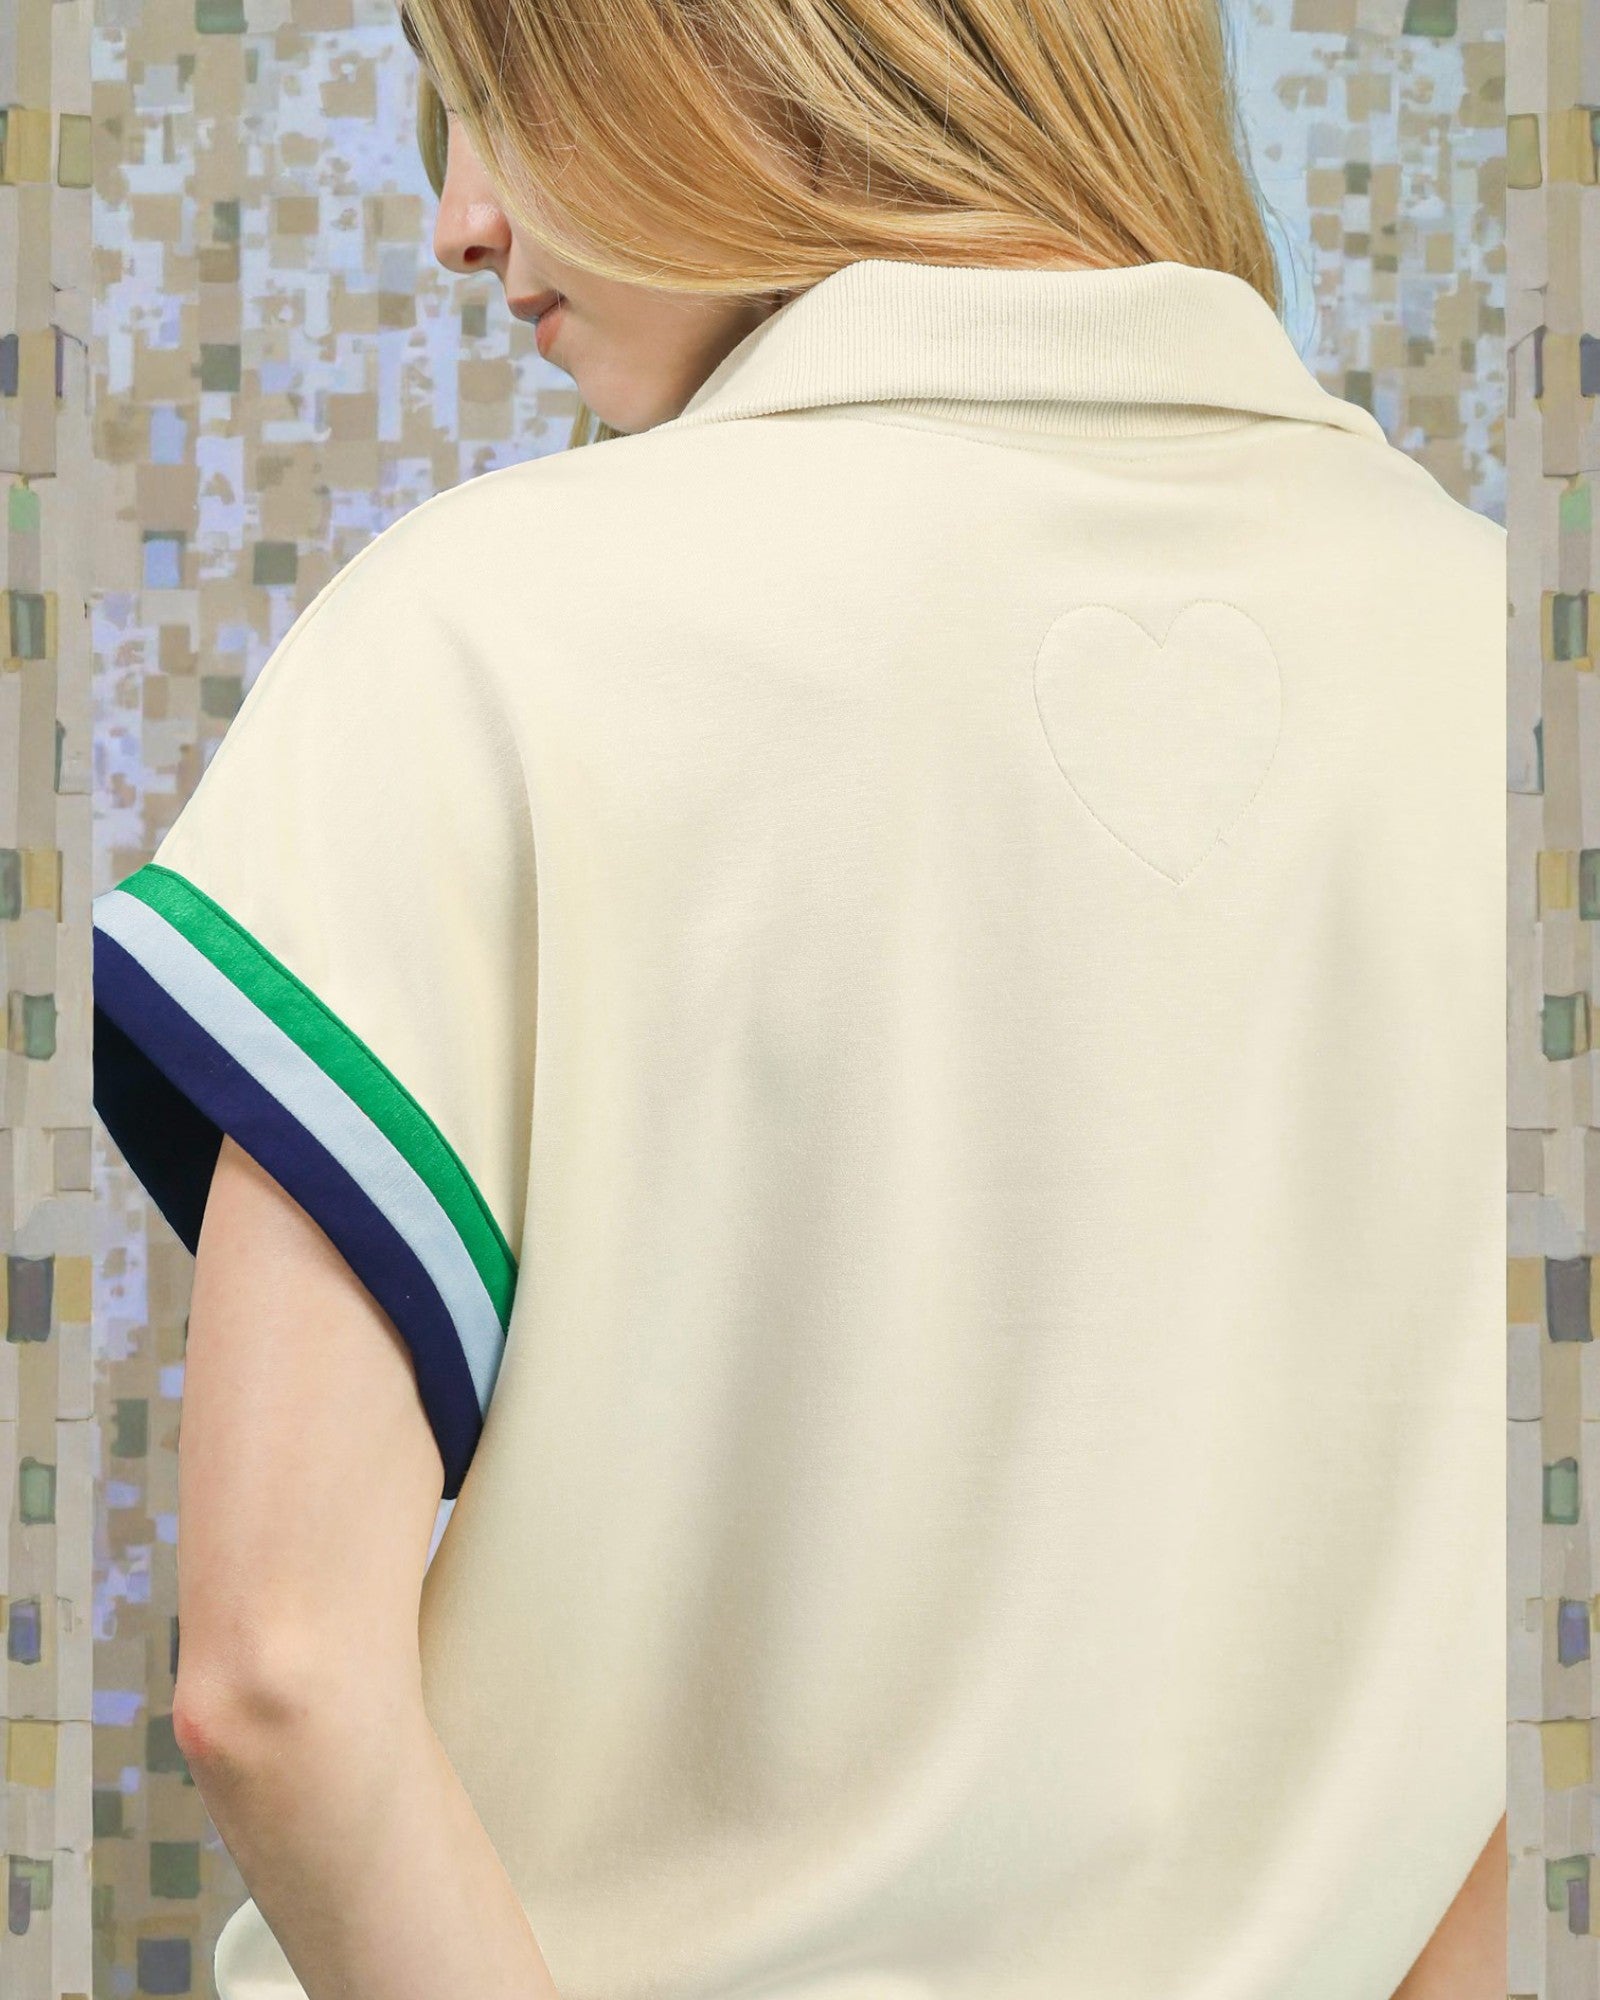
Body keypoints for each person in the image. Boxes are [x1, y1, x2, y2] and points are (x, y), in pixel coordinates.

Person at [88, 2, 1507, 1997]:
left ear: (761, 45)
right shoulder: (1507, 669)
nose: (458, 219)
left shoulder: (484, 635)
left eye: (497, 88)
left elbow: (279, 1678)